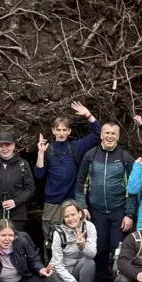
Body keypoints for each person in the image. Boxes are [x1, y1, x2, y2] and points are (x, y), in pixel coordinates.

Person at [75, 122, 137, 282]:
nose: (110, 136)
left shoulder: (125, 158)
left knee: (119, 249)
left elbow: (132, 188)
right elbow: (80, 183)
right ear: (101, 135)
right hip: (96, 211)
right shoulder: (90, 155)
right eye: (107, 133)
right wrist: (83, 206)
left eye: (113, 134)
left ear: (118, 137)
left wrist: (129, 214)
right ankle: (100, 281)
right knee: (99, 248)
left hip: (119, 211)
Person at [34, 101, 101, 245]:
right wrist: (40, 153)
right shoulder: (48, 149)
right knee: (50, 239)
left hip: (71, 201)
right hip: (52, 202)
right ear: (53, 131)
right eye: (58, 130)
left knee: (72, 237)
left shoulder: (75, 147)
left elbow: (97, 134)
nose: (61, 133)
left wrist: (88, 115)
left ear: (69, 131)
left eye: (64, 130)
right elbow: (39, 175)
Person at [0, 130, 36, 236]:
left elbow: (30, 188)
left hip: (17, 215)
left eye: (8, 145)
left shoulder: (22, 164)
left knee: (15, 243)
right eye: (1, 146)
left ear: (13, 146)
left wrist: (15, 202)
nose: (5, 149)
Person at [50, 200, 98, 282]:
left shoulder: (89, 227)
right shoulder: (59, 233)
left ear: (80, 214)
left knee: (89, 262)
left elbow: (92, 254)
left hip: (78, 267)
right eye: (67, 216)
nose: (70, 219)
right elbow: (58, 265)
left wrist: (82, 245)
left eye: (73, 214)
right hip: (60, 270)